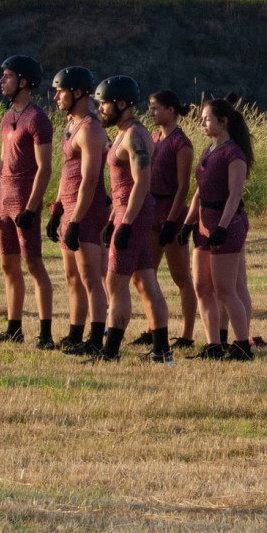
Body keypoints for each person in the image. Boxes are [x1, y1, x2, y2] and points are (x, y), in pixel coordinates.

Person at [90, 76, 171, 363]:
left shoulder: (135, 135)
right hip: (127, 211)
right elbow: (122, 187)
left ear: (121, 103)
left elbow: (141, 182)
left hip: (134, 213)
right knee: (145, 281)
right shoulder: (126, 133)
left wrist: (126, 222)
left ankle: (110, 351)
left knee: (115, 282)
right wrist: (115, 218)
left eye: (104, 104)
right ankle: (162, 351)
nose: (100, 109)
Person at [0, 55, 55, 348]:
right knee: (8, 265)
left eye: (8, 76)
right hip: (5, 202)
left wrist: (32, 207)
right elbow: (3, 165)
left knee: (34, 265)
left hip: (25, 200)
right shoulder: (7, 117)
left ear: (23, 82)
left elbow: (45, 168)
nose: (2, 81)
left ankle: (46, 332)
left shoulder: (37, 118)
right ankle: (14, 328)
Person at [183, 96, 255, 361]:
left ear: (222, 122)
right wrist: (187, 223)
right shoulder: (208, 151)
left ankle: (242, 346)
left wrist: (223, 228)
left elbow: (235, 195)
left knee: (226, 290)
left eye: (207, 119)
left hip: (227, 224)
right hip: (204, 225)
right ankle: (213, 345)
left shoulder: (233, 153)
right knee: (202, 287)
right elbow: (199, 193)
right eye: (201, 119)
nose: (202, 123)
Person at [47, 66, 112, 358]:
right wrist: (57, 209)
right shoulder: (71, 125)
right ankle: (75, 332)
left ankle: (96, 337)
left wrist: (75, 219)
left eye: (60, 91)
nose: (56, 96)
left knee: (90, 278)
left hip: (87, 210)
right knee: (72, 276)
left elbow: (89, 179)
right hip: (71, 208)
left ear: (77, 93)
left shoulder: (90, 129)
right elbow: (67, 174)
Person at [131, 90, 198, 351]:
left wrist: (172, 221)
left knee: (181, 277)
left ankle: (187, 334)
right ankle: (153, 328)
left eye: (156, 108)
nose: (152, 112)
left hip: (172, 214)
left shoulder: (181, 143)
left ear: (171, 110)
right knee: (146, 274)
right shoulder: (154, 138)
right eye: (150, 107)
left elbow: (183, 187)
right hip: (151, 212)